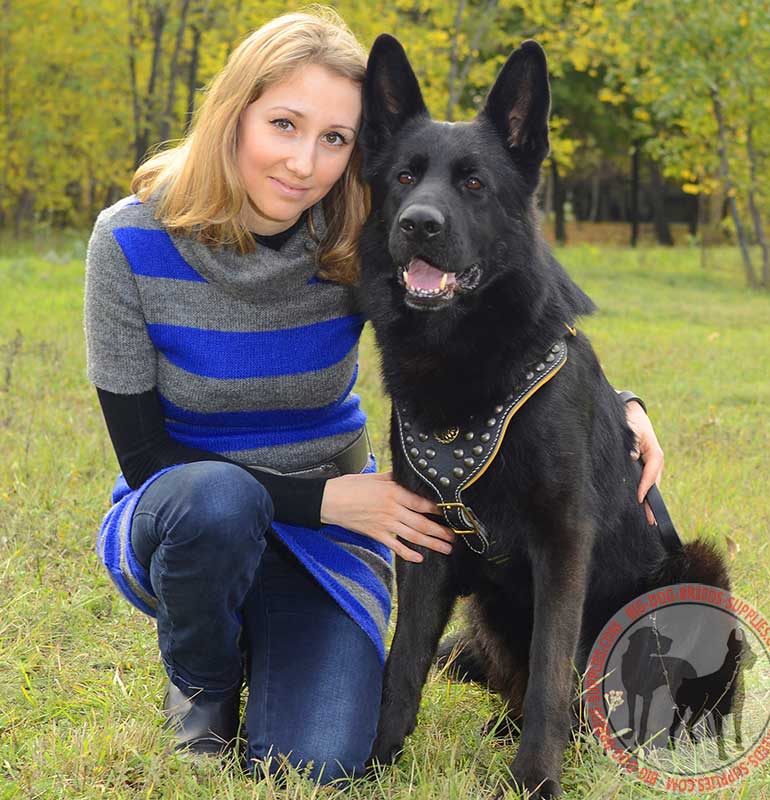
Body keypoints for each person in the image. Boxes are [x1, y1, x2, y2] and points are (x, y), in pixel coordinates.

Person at [84, 9, 664, 787]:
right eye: (283, 124)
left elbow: (499, 315)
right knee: (214, 502)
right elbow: (146, 457)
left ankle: (275, 636)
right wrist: (326, 500)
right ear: (235, 114)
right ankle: (203, 682)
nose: (302, 161)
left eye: (333, 139)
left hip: (323, 542)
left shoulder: (352, 234)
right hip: (191, 515)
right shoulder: (127, 243)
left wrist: (616, 404)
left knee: (321, 759)